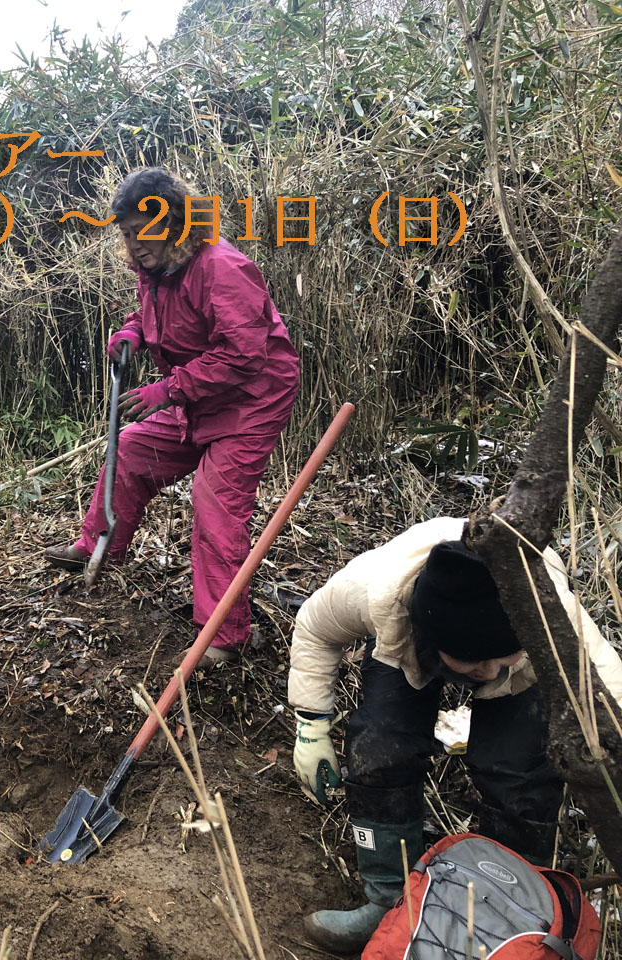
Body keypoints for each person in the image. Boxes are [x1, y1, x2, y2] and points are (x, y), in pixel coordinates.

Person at [288, 516, 622, 953]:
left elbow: (611, 691)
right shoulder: (377, 591)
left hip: (529, 668)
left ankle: (507, 922)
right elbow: (315, 627)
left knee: (519, 775)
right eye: (475, 662)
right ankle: (390, 903)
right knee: (380, 748)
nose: (487, 674)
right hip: (411, 641)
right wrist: (311, 723)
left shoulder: (551, 614)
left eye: (501, 657)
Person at [44, 166, 299, 662]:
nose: (135, 245)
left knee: (214, 503)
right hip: (198, 395)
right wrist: (130, 334)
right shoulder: (157, 270)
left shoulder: (222, 267)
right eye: (126, 234)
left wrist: (172, 387)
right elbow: (151, 313)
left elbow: (246, 356)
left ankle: (223, 635)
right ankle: (99, 545)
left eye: (144, 233)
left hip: (250, 399)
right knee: (133, 449)